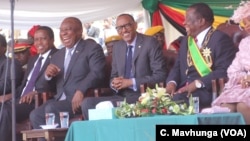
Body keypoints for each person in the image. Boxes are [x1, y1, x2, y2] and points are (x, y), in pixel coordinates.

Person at [81, 13, 167, 120]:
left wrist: (131, 82)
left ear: (135, 25)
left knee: (107, 106)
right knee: (87, 103)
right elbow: (113, 76)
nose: (124, 30)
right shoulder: (118, 47)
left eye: (127, 25)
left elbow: (160, 75)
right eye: (119, 28)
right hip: (121, 95)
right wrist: (114, 83)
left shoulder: (149, 43)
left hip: (142, 96)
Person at [29, 17, 106, 128]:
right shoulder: (57, 55)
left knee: (52, 108)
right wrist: (47, 75)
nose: (64, 33)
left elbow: (97, 73)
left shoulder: (92, 48)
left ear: (79, 31)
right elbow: (42, 86)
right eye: (61, 30)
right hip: (58, 99)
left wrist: (81, 90)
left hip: (79, 99)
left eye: (68, 29)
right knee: (35, 114)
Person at [165, 3, 237, 110]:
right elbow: (177, 67)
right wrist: (171, 83)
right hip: (181, 90)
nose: (184, 22)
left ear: (201, 22)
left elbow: (225, 70)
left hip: (206, 91)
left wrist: (198, 83)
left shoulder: (220, 39)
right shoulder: (186, 41)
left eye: (188, 19)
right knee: (157, 101)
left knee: (174, 102)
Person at [0, 26, 58, 141]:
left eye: (43, 39)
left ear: (52, 40)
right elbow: (23, 86)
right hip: (19, 99)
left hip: (37, 101)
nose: (39, 42)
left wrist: (36, 92)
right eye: (36, 40)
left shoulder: (58, 56)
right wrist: (8, 96)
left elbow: (57, 83)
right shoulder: (33, 59)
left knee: (5, 111)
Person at [212, 1, 250, 124]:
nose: (246, 26)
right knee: (225, 107)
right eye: (244, 22)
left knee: (243, 106)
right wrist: (243, 78)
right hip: (243, 86)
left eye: (249, 21)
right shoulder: (245, 43)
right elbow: (233, 70)